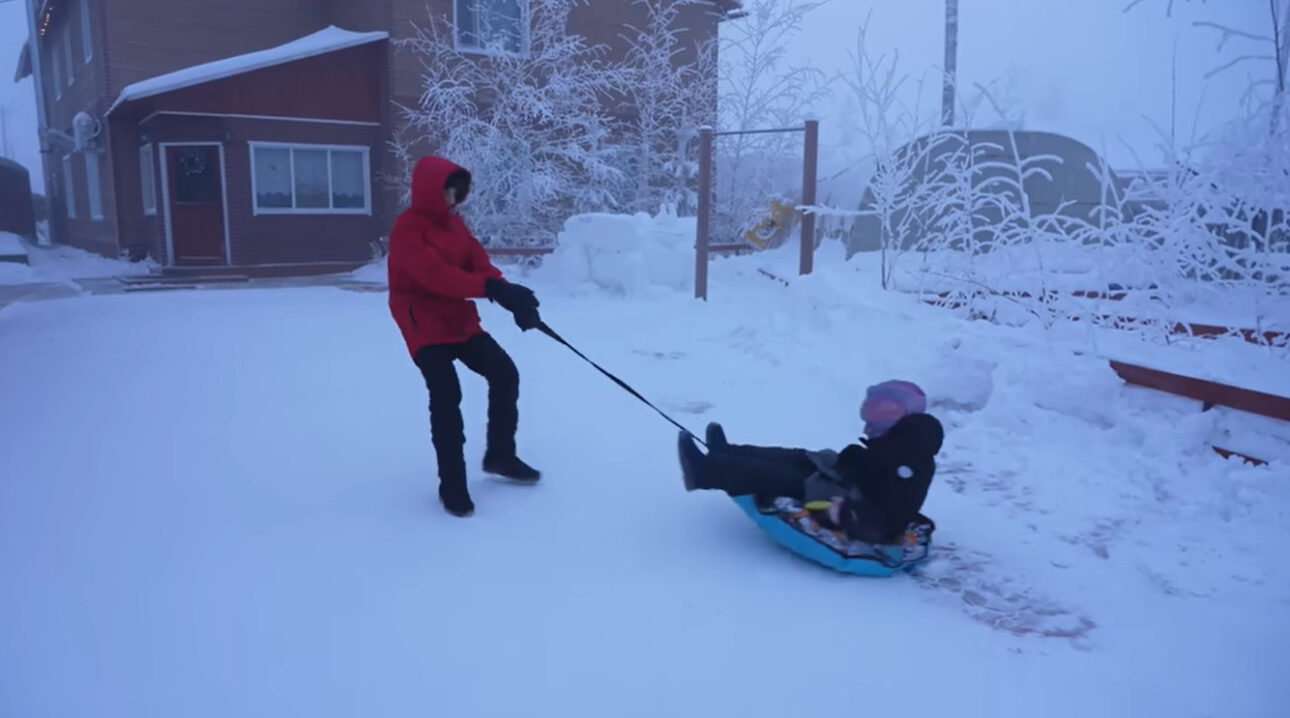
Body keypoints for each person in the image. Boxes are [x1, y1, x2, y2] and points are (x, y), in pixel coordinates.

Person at [387, 155, 544, 517]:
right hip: (422, 324)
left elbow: (480, 266)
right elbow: (435, 277)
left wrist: (511, 298)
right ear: (430, 190)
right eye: (447, 190)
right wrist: (491, 289)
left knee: (504, 373)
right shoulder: (407, 230)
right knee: (446, 395)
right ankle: (452, 485)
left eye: (457, 190)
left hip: (458, 320)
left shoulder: (456, 226)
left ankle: (500, 456)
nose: (453, 197)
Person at [677, 380, 944, 545]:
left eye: (871, 425)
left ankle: (703, 472)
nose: (866, 429)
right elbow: (877, 470)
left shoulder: (908, 462)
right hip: (853, 482)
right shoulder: (906, 443)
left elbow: (890, 519)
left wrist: (845, 512)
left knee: (790, 476)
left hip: (854, 505)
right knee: (801, 458)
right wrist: (854, 459)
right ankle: (726, 453)